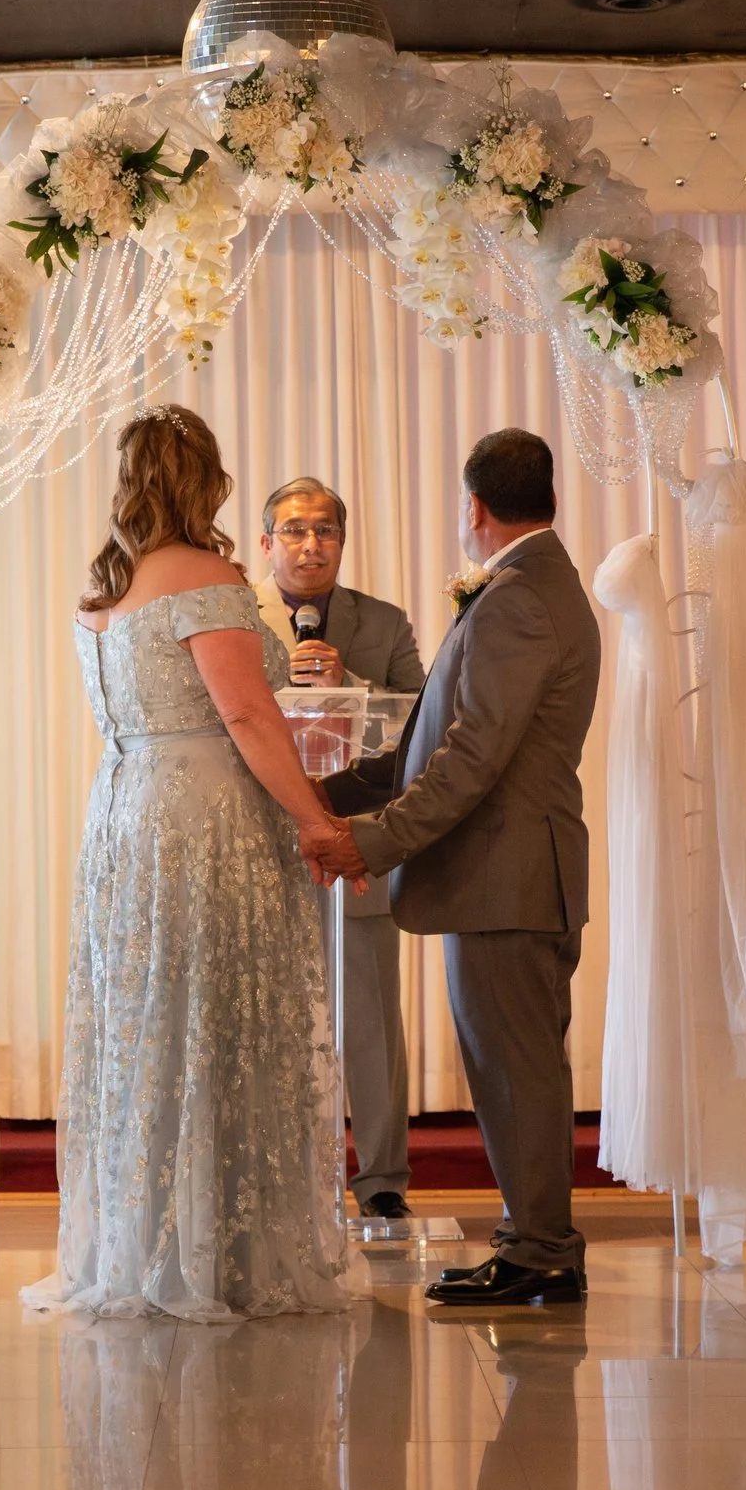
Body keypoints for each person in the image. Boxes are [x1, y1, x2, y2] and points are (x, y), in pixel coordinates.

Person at [23, 404, 354, 1322]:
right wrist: (319, 820)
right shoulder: (208, 578)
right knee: (214, 1017)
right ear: (203, 481)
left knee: (150, 1026)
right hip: (204, 816)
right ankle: (222, 1252)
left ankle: (142, 1240)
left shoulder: (104, 592)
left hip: (125, 813)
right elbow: (247, 717)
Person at [309, 429, 601, 1307]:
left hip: (506, 877)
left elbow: (471, 758)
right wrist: (324, 790)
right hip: (507, 874)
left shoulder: (516, 598)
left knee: (516, 1071)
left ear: (475, 506)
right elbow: (424, 744)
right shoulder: (536, 585)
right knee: (517, 1067)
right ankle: (531, 1242)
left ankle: (541, 1249)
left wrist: (372, 840)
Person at [253, 476, 426, 1221]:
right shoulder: (235, 619)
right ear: (266, 543)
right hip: (264, 842)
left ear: (343, 542)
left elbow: (423, 728)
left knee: (370, 1018)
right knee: (263, 1016)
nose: (310, 544)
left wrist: (348, 682)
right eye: (293, 530)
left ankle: (382, 1179)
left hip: (357, 844)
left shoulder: (382, 624)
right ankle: (276, 1177)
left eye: (324, 530)